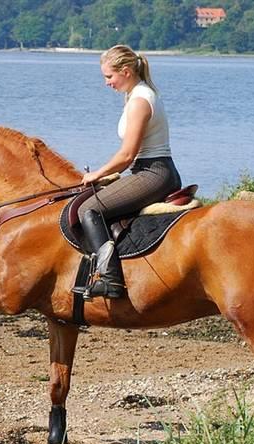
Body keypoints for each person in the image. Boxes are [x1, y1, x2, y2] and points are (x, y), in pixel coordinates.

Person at [73, 44, 182, 300]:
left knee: (88, 210)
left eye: (109, 77)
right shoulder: (136, 95)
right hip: (149, 169)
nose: (106, 83)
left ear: (125, 71)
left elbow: (127, 155)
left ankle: (110, 279)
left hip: (154, 173)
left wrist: (96, 174)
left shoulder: (140, 101)